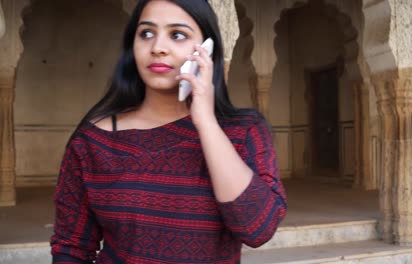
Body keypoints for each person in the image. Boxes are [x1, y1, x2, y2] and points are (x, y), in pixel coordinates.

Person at [50, 0, 287, 263]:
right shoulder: (93, 143)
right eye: (146, 33)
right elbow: (71, 247)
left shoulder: (243, 131)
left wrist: (206, 122)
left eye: (177, 35)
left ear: (206, 50)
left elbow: (258, 229)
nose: (158, 48)